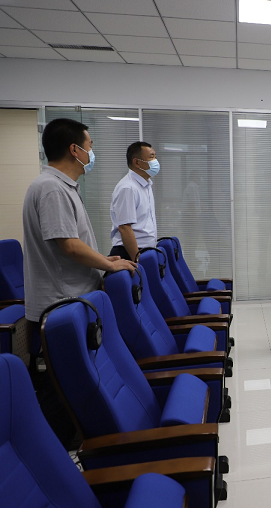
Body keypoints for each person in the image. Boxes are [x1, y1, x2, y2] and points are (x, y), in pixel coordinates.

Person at [23, 118, 135, 447]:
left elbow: (73, 243)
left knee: (75, 388)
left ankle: (74, 449)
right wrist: (108, 264)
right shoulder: (51, 188)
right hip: (60, 307)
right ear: (75, 150)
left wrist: (104, 260)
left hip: (71, 300)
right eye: (89, 146)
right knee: (60, 393)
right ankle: (52, 458)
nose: (91, 153)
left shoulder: (62, 187)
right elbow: (69, 245)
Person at [109, 142, 159, 261]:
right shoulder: (128, 188)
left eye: (155, 157)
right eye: (151, 157)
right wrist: (137, 258)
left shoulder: (146, 185)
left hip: (144, 250)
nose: (156, 161)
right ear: (137, 162)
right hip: (130, 252)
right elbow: (124, 228)